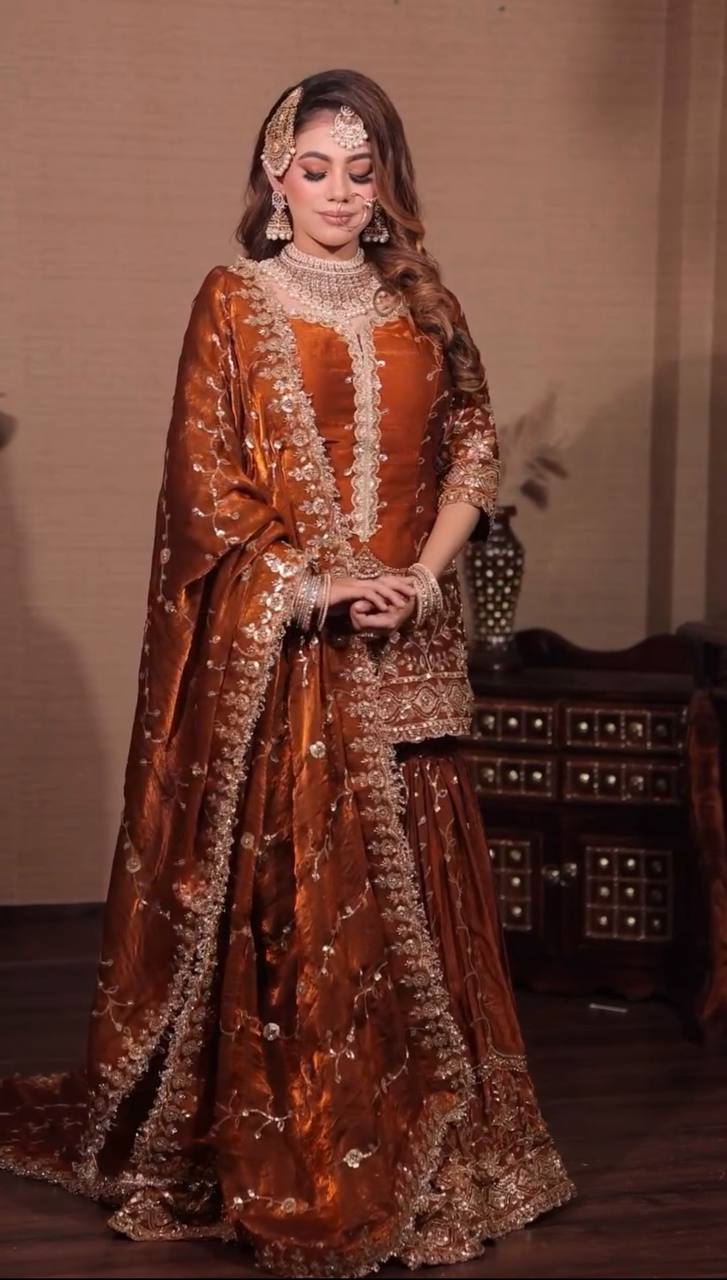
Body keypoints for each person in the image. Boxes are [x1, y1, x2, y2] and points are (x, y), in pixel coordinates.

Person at [0, 69, 575, 1277]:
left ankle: (449, 1149)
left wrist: (418, 576)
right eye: (315, 169)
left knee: (426, 901)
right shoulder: (235, 302)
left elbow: (472, 447)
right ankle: (317, 1145)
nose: (339, 192)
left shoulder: (425, 304)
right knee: (311, 922)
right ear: (275, 178)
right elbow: (205, 490)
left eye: (362, 171)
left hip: (407, 649)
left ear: (387, 183)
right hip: (295, 662)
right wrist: (316, 589)